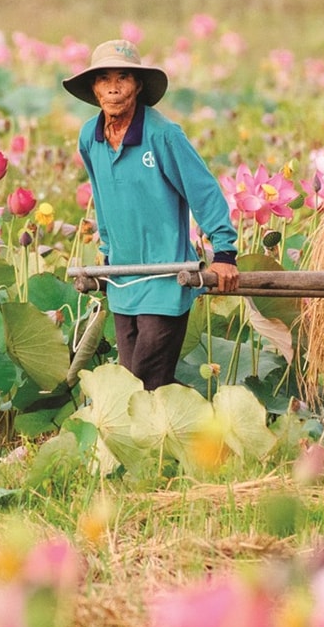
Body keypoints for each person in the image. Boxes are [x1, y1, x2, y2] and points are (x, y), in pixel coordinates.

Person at [63, 38, 240, 390]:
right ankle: (182, 436)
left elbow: (202, 190)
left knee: (145, 377)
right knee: (136, 382)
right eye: (104, 79)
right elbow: (101, 193)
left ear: (138, 85)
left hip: (167, 276)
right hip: (122, 276)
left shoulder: (163, 135)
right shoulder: (90, 137)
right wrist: (108, 246)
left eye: (123, 77)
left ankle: (205, 432)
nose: (113, 87)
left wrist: (224, 253)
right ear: (94, 89)